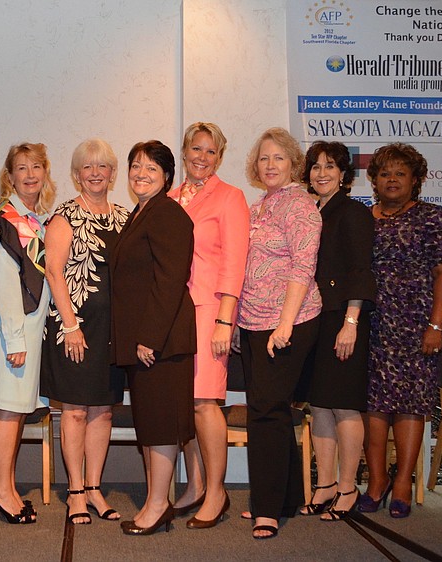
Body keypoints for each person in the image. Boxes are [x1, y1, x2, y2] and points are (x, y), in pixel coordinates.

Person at [358, 143, 442, 518]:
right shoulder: (364, 219)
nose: (392, 179)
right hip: (373, 326)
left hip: (417, 326)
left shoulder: (431, 218)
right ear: (375, 180)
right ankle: (377, 481)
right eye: (385, 173)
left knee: (410, 405)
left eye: (400, 173)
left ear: (415, 180)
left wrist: (436, 324)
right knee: (374, 406)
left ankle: (402, 484)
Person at [236, 127, 322, 539]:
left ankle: (266, 509)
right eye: (264, 158)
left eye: (278, 158)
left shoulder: (301, 207)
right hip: (253, 322)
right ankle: (286, 498)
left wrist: (284, 324)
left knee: (266, 412)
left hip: (289, 321)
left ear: (293, 164)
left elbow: (302, 269)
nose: (269, 165)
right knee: (269, 408)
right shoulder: (259, 206)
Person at [41, 139, 128, 525]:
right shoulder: (64, 216)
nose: (95, 173)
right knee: (74, 412)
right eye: (87, 167)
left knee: (103, 412)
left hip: (112, 333)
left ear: (113, 173)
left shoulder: (127, 218)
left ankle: (95, 488)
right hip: (73, 331)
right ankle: (75, 490)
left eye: (103, 167)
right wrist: (72, 325)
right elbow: (55, 273)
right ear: (76, 174)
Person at [111, 140, 196, 536]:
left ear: (166, 176)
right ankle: (154, 500)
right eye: (136, 166)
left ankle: (158, 505)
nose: (141, 173)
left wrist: (150, 337)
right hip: (144, 343)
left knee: (160, 425)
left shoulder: (167, 214)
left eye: (151, 167)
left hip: (160, 344)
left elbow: (170, 280)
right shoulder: (140, 214)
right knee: (150, 423)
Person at [167, 123, 249, 528]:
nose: (202, 157)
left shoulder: (231, 198)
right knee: (184, 403)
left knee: (205, 402)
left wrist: (224, 321)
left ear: (220, 157)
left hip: (209, 310)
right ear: (184, 151)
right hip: (174, 313)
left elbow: (236, 263)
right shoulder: (168, 197)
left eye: (211, 151)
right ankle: (196, 485)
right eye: (196, 149)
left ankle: (217, 492)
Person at [297, 141, 376, 521]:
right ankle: (324, 484)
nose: (321, 173)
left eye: (330, 166)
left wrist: (351, 322)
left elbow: (361, 270)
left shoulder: (354, 213)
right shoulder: (310, 212)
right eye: (315, 167)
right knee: (319, 404)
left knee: (344, 405)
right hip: (314, 318)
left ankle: (348, 486)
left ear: (344, 174)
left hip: (344, 320)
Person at [0, 142, 55, 524]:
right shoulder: (5, 220)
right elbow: (4, 285)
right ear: (9, 177)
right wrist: (15, 340)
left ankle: (5, 487)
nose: (29, 174)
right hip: (13, 333)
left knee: (15, 413)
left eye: (36, 167)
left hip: (28, 333)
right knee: (8, 414)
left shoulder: (35, 220)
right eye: (21, 168)